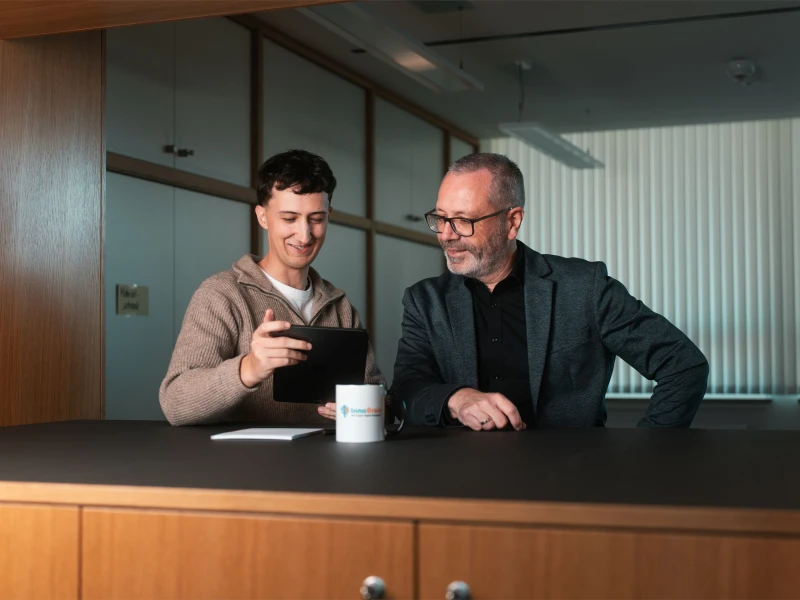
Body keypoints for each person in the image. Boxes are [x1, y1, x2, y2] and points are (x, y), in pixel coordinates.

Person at [392, 152, 708, 431]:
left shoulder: (585, 287)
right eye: (440, 218)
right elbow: (406, 390)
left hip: (573, 480)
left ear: (512, 222)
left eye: (462, 220)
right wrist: (456, 399)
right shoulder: (424, 301)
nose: (446, 235)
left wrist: (650, 452)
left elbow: (682, 365)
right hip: (463, 481)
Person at [160, 150, 383, 426]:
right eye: (289, 218)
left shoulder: (341, 308)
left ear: (329, 216)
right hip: (250, 467)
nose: (304, 235)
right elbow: (175, 403)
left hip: (329, 466)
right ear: (263, 217)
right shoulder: (222, 295)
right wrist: (249, 369)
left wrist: (365, 408)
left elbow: (377, 395)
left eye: (316, 219)